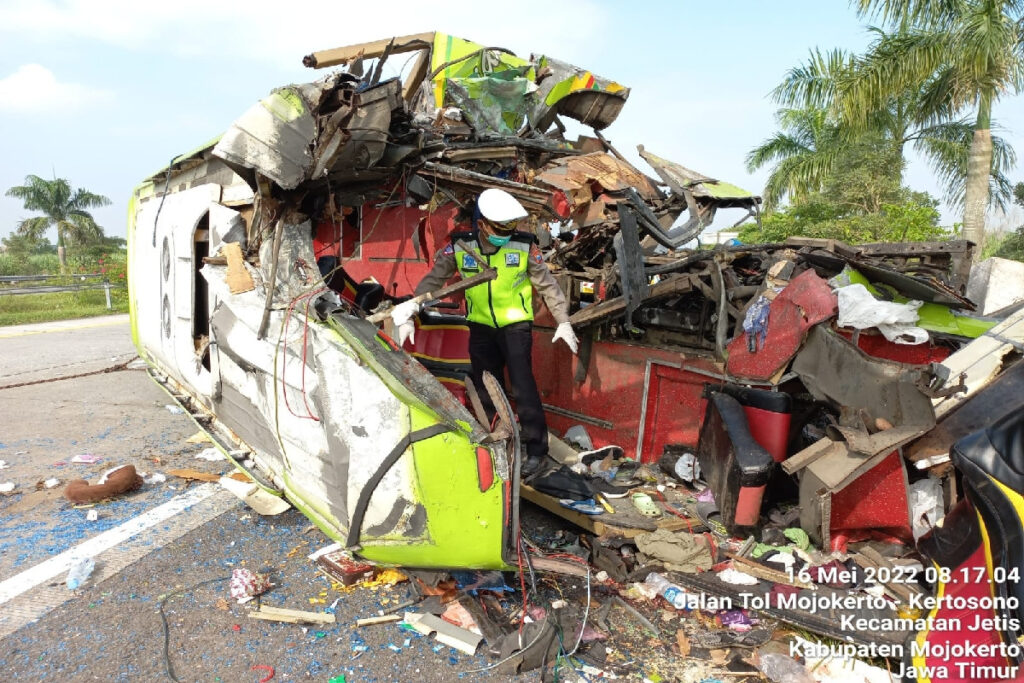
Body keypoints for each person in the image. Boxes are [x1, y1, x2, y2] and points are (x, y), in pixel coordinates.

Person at [390, 188, 579, 477]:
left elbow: (548, 286)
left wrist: (563, 320)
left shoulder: (524, 246)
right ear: (482, 224)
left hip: (515, 328)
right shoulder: (461, 247)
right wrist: (411, 309)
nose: (507, 233)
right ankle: (497, 444)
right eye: (501, 228)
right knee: (485, 389)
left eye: (511, 227)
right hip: (480, 327)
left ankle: (537, 451)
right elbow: (434, 280)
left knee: (523, 387)